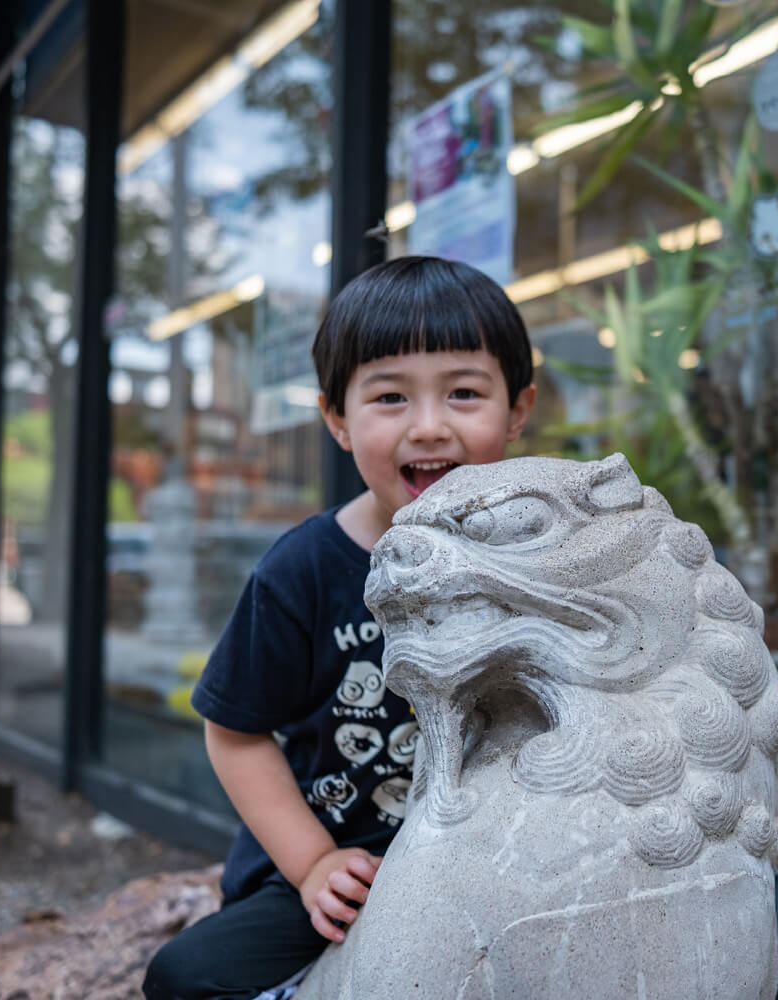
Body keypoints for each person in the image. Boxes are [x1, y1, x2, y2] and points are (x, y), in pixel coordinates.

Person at [142, 256, 537, 1000]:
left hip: (495, 867)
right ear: (336, 419)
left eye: (463, 392)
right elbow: (234, 732)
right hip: (347, 874)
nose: (430, 425)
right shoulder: (303, 571)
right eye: (390, 397)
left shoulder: (539, 559)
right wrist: (313, 865)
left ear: (518, 408)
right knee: (187, 979)